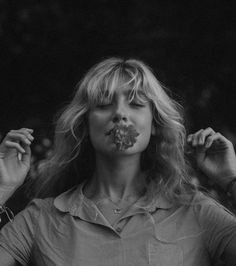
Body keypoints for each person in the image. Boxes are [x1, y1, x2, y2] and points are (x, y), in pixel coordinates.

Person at [0, 58, 236, 266]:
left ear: (154, 124)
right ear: (85, 125)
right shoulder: (40, 219)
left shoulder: (196, 211)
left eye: (135, 103)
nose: (120, 114)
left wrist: (230, 180)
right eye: (103, 104)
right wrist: (3, 188)